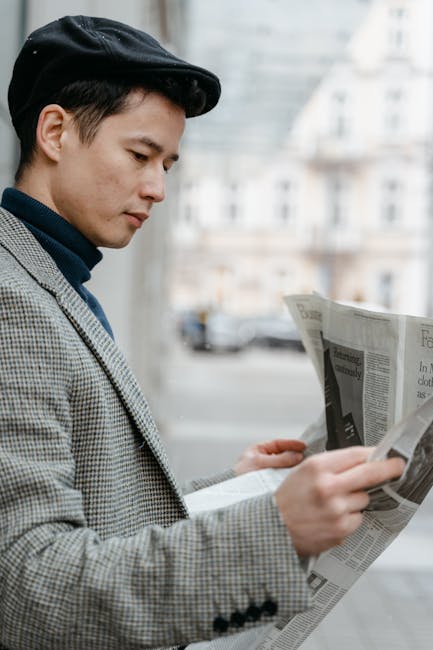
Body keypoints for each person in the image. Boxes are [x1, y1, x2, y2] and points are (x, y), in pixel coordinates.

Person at [0, 15, 404, 650]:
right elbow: (30, 585)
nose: (158, 188)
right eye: (139, 155)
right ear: (54, 132)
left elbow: (92, 521)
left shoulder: (55, 279)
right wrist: (275, 531)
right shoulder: (11, 301)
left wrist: (237, 492)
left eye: (168, 163)